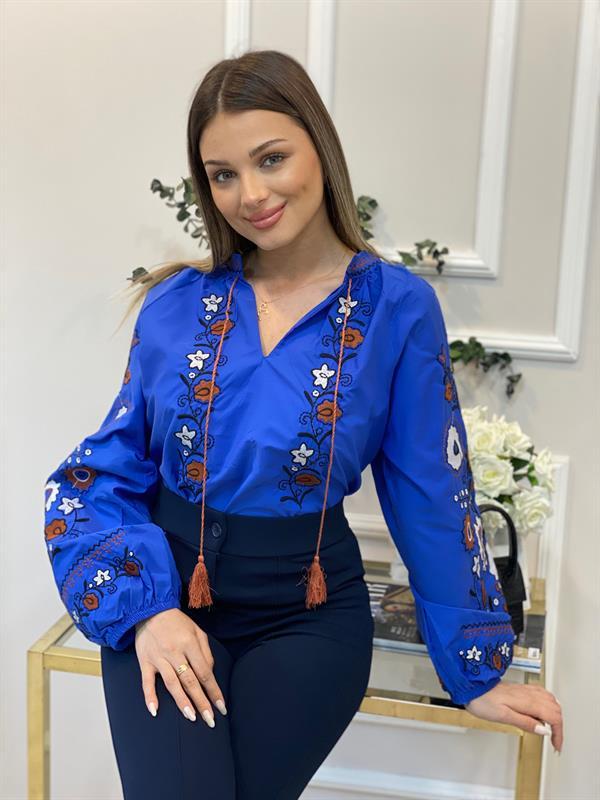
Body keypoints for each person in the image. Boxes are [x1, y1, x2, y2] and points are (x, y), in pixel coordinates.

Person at [42, 49, 563, 800]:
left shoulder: (396, 309)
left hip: (310, 619)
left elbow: (430, 490)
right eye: (223, 174)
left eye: (271, 159)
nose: (250, 194)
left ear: (319, 147)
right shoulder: (176, 305)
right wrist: (148, 612)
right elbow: (103, 474)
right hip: (167, 598)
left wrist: (475, 670)